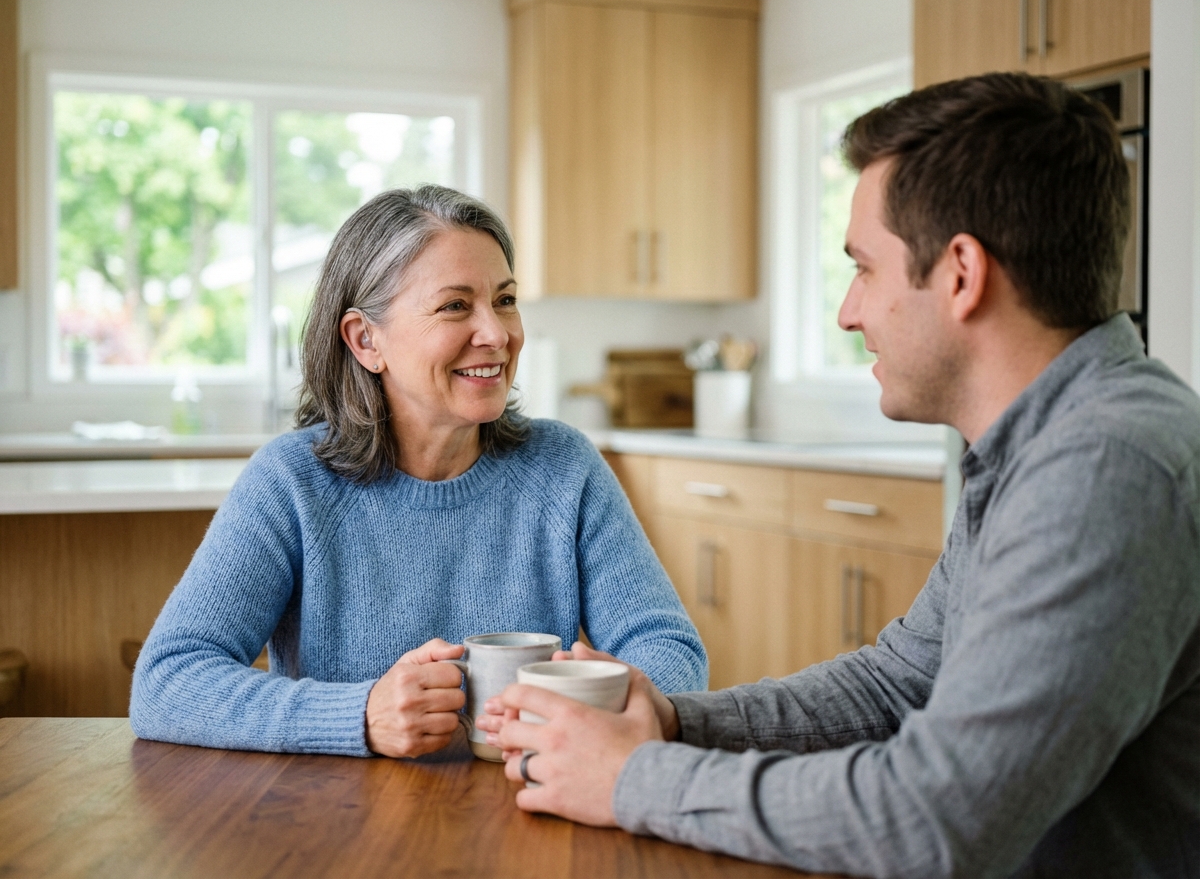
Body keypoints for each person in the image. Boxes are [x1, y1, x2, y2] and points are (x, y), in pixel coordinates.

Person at [479, 73, 1200, 877]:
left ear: (962, 274)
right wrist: (678, 723)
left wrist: (631, 777)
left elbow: (935, 817)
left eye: (865, 269)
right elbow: (897, 686)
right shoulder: (1040, 444)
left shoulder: (1107, 468)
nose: (848, 312)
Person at [130, 185, 707, 759]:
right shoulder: (292, 482)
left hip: (529, 808)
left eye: (504, 300)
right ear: (365, 340)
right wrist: (358, 716)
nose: (498, 334)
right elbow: (166, 682)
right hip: (336, 822)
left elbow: (671, 652)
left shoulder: (564, 468)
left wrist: (599, 696)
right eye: (455, 306)